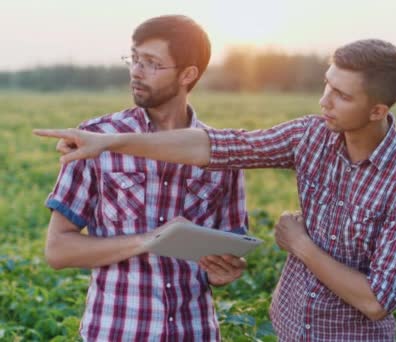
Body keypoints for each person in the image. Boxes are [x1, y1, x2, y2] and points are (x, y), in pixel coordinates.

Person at [36, 38, 396, 341]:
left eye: (342, 96)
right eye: (327, 85)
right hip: (288, 326)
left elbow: (376, 300)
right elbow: (217, 146)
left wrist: (300, 245)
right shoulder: (310, 136)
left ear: (377, 111)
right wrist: (111, 142)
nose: (324, 101)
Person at [39, 15, 248, 341]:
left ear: (187, 74)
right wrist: (149, 240)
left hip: (195, 331)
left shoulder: (220, 154)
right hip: (115, 331)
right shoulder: (95, 138)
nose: (136, 70)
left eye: (151, 63)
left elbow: (230, 251)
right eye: (134, 59)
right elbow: (58, 250)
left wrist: (224, 272)